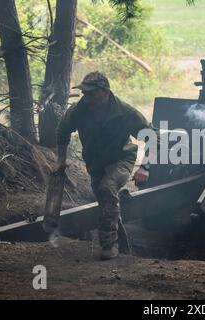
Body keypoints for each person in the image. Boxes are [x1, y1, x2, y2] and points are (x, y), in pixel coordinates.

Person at [50, 71, 155, 260]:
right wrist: (60, 160)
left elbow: (152, 136)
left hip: (121, 160)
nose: (86, 97)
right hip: (95, 164)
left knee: (107, 188)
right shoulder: (79, 110)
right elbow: (63, 130)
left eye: (91, 93)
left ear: (105, 92)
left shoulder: (124, 112)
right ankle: (125, 249)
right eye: (84, 93)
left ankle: (108, 246)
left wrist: (144, 167)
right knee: (107, 204)